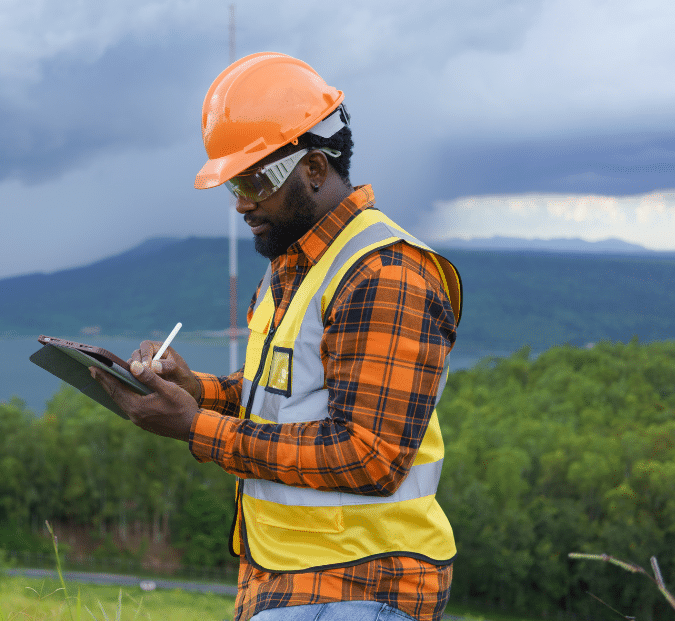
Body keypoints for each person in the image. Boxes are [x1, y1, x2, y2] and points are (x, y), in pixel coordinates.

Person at [90, 52, 463, 621]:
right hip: (290, 578)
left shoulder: (383, 274)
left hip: (361, 585)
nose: (242, 201)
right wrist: (195, 388)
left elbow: (370, 454)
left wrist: (196, 427)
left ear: (315, 168)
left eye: (254, 179)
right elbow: (289, 397)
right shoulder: (295, 264)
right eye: (233, 182)